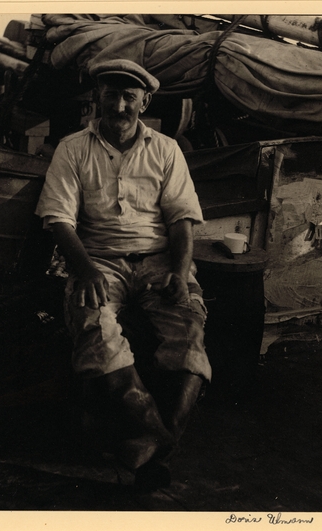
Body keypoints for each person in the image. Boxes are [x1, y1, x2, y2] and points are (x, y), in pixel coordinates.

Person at [35, 59, 212, 491]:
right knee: (97, 328)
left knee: (188, 328)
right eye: (110, 95)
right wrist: (87, 268)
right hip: (97, 262)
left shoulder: (166, 150)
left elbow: (182, 220)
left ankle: (149, 441)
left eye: (128, 97)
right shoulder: (72, 148)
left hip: (158, 260)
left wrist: (180, 271)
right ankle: (163, 442)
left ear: (144, 101)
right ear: (97, 98)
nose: (118, 106)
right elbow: (59, 219)